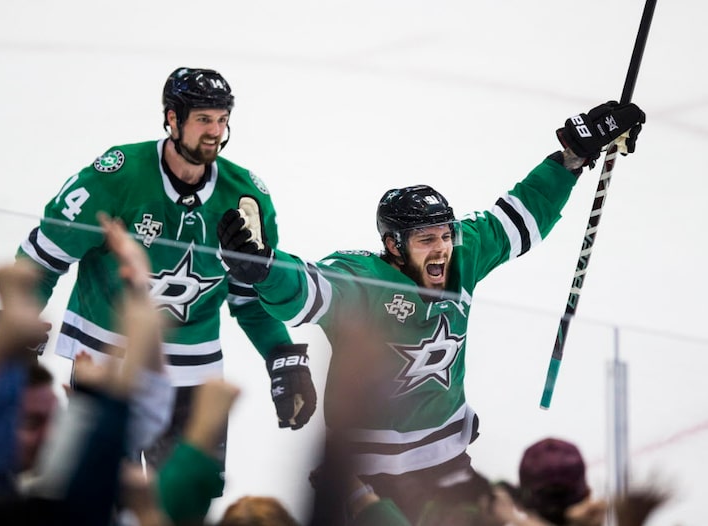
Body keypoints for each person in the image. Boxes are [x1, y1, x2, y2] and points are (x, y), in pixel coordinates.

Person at [217, 100, 646, 523]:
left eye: (443, 235)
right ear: (393, 246)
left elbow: (516, 217)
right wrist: (265, 268)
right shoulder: (363, 280)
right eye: (425, 240)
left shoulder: (462, 254)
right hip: (366, 477)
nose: (441, 247)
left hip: (447, 466)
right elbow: (307, 288)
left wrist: (570, 157)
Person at [15, 67, 317, 471]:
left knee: (185, 506)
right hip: (107, 359)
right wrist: (17, 322)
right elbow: (43, 257)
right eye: (203, 119)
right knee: (102, 497)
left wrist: (281, 354)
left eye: (222, 119)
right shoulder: (118, 175)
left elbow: (249, 298)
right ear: (172, 119)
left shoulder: (245, 196)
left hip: (194, 370)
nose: (215, 131)